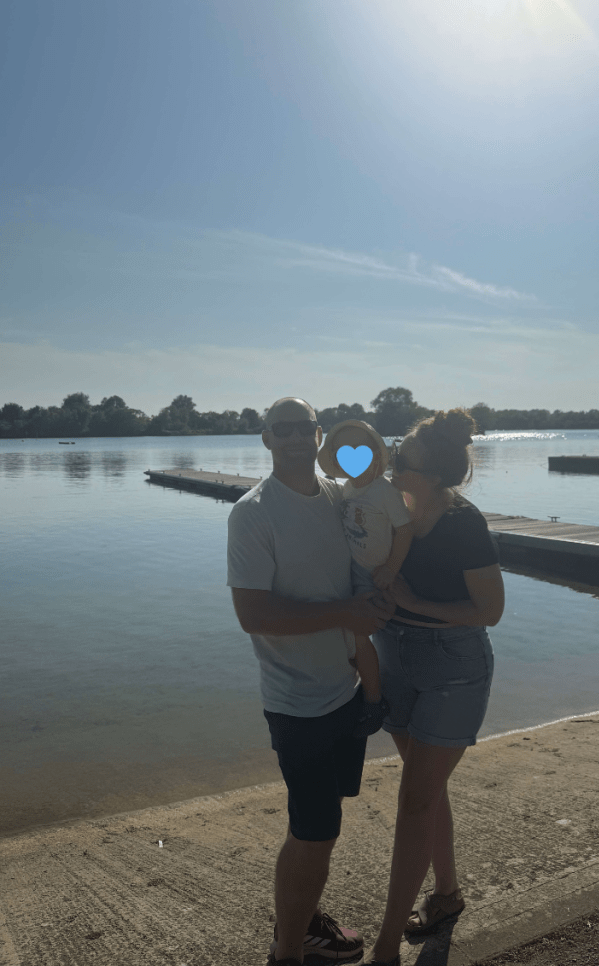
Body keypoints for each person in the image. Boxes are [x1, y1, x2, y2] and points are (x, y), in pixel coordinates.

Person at [227, 397, 394, 966]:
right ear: (267, 439)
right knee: (314, 831)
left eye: (305, 428)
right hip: (298, 704)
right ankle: (289, 951)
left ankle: (302, 918)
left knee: (321, 827)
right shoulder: (252, 513)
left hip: (346, 692)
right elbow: (253, 614)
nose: (297, 438)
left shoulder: (336, 496)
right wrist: (346, 614)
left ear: (318, 435)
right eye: (284, 430)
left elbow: (367, 549)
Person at [366, 408, 505, 966]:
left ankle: (385, 944)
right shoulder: (389, 508)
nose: (392, 462)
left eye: (401, 458)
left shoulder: (463, 523)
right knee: (426, 793)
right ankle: (445, 896)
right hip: (395, 656)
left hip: (453, 666)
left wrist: (417, 604)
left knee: (415, 801)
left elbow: (489, 612)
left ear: (428, 472)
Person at [317, 419, 414, 737]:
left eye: (362, 450)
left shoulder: (384, 490)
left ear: (376, 454)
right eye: (345, 452)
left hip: (374, 572)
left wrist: (392, 568)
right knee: (347, 632)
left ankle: (373, 700)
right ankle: (357, 687)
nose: (355, 457)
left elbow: (404, 529)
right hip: (352, 566)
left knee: (359, 634)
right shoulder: (347, 488)